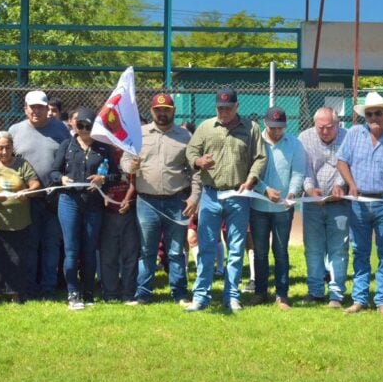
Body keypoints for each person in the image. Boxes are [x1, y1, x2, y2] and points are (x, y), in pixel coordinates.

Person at [185, 87, 266, 312]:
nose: (223, 112)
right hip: (210, 195)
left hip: (238, 196)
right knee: (206, 246)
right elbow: (190, 151)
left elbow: (260, 158)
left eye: (228, 108)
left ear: (237, 107)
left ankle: (232, 296)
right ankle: (201, 297)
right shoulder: (205, 127)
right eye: (220, 108)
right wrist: (198, 162)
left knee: (237, 248)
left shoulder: (251, 128)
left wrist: (250, 180)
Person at [336, 91, 383, 315]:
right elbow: (341, 162)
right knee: (359, 251)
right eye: (369, 114)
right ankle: (359, 298)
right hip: (358, 201)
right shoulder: (353, 135)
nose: (373, 118)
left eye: (378, 113)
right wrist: (350, 183)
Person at [122, 92, 200, 306]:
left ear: (173, 111)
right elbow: (124, 161)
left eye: (166, 109)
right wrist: (131, 166)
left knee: (176, 251)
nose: (162, 113)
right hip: (146, 202)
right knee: (147, 251)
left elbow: (195, 171)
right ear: (152, 111)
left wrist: (194, 197)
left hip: (176, 201)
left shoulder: (185, 137)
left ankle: (180, 293)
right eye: (158, 110)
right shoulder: (139, 134)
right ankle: (143, 294)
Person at [50, 107, 115, 310]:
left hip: (93, 203)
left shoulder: (103, 148)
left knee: (89, 249)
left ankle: (88, 291)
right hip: (69, 200)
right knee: (71, 249)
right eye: (80, 125)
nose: (84, 130)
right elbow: (52, 172)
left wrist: (103, 178)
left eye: (88, 125)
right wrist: (62, 178)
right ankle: (73, 292)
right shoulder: (66, 145)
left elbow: (115, 174)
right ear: (74, 126)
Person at [8, 90, 71, 299]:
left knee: (51, 244)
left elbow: (69, 160)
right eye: (32, 107)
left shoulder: (61, 130)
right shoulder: (15, 131)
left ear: (48, 109)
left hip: (55, 199)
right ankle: (30, 286)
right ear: (25, 109)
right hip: (26, 199)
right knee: (30, 244)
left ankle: (48, 287)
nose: (36, 111)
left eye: (40, 107)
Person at [250, 106, 305, 311]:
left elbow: (298, 172)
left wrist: (292, 192)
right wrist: (264, 190)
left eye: (280, 128)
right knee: (260, 251)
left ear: (285, 126)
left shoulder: (294, 144)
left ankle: (282, 295)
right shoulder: (256, 142)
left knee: (281, 251)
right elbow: (250, 171)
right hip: (258, 206)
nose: (276, 131)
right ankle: (260, 292)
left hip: (283, 209)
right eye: (273, 127)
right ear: (265, 123)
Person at [0, 131, 41, 305]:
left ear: (13, 147)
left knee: (16, 259)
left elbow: (35, 183)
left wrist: (27, 191)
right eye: (0, 148)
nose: (4, 152)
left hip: (19, 221)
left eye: (8, 147)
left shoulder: (22, 164)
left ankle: (15, 293)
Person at [298, 107, 350, 308]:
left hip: (340, 204)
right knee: (313, 248)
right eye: (321, 128)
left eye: (329, 127)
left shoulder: (347, 137)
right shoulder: (304, 138)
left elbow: (346, 164)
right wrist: (310, 190)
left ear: (337, 124)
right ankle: (315, 291)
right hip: (312, 204)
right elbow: (304, 168)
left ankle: (336, 295)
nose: (325, 132)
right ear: (314, 125)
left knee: (339, 248)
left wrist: (341, 185)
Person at [98, 149, 138, 303]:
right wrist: (103, 194)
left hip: (130, 210)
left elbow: (135, 181)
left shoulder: (130, 155)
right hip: (107, 212)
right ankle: (110, 293)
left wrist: (127, 200)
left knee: (130, 254)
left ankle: (129, 293)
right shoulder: (102, 155)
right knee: (108, 255)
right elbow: (96, 179)